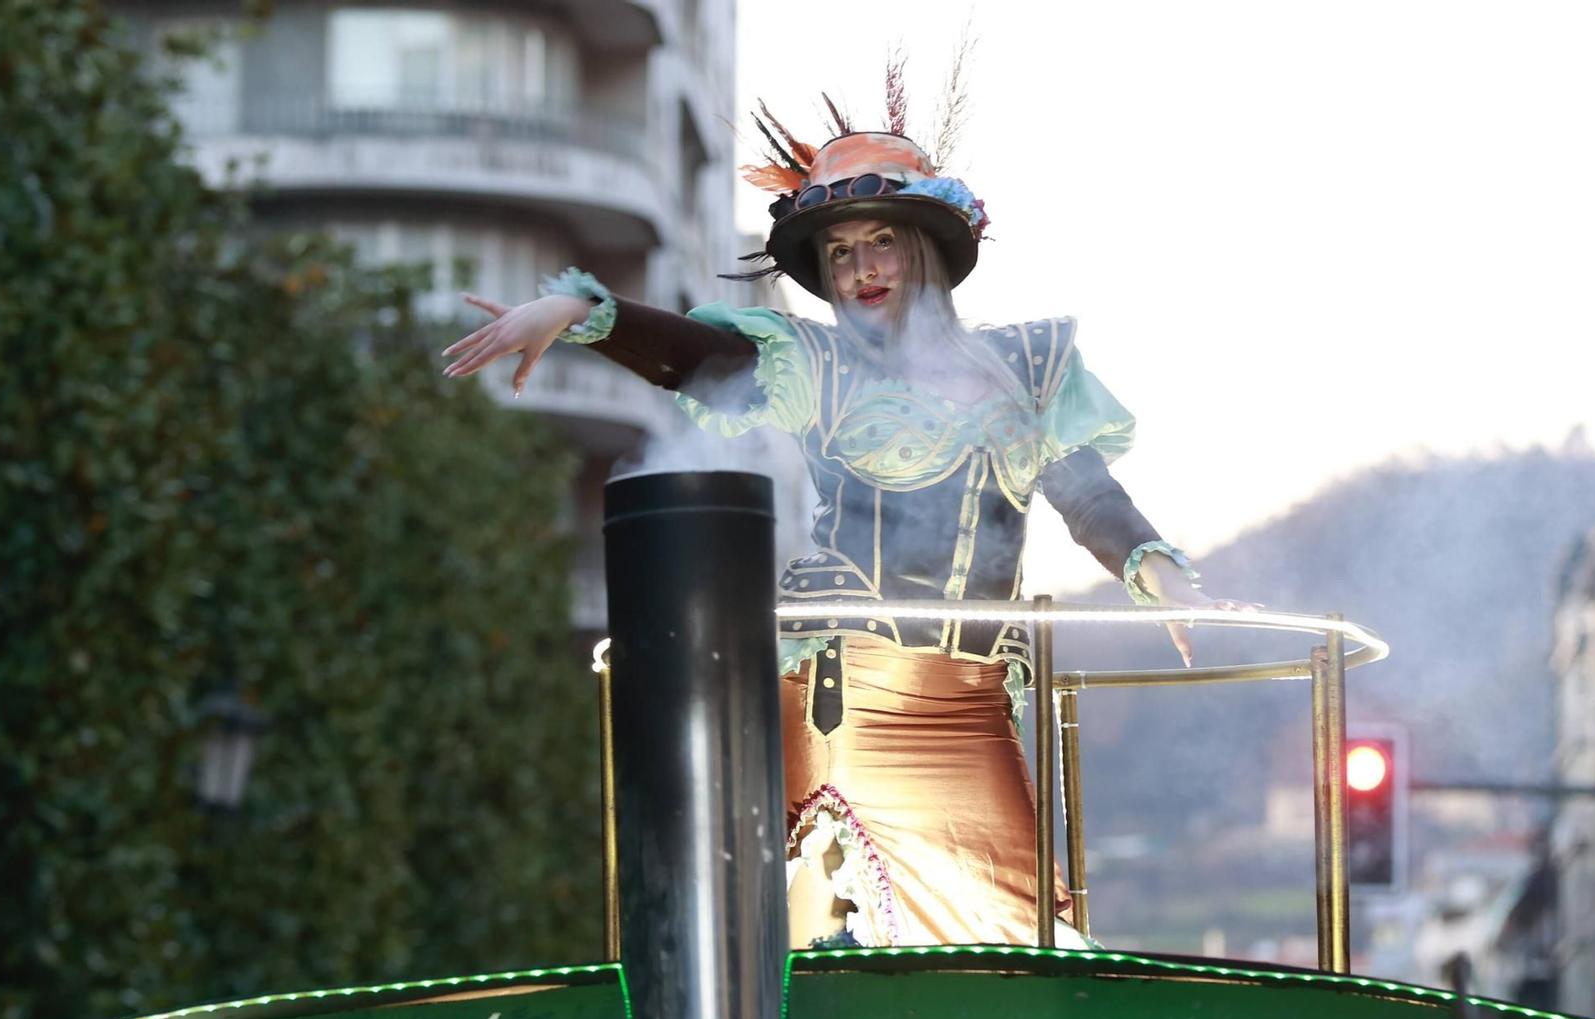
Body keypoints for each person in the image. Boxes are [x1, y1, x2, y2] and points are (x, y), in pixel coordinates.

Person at [442, 123, 1239, 949]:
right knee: (918, 947)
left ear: (927, 244)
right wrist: (585, 314)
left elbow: (1085, 490)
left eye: (882, 243)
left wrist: (1160, 575)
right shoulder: (815, 363)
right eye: (840, 252)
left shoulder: (1030, 364)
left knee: (1010, 944)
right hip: (845, 683)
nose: (859, 270)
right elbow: (699, 356)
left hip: (968, 698)